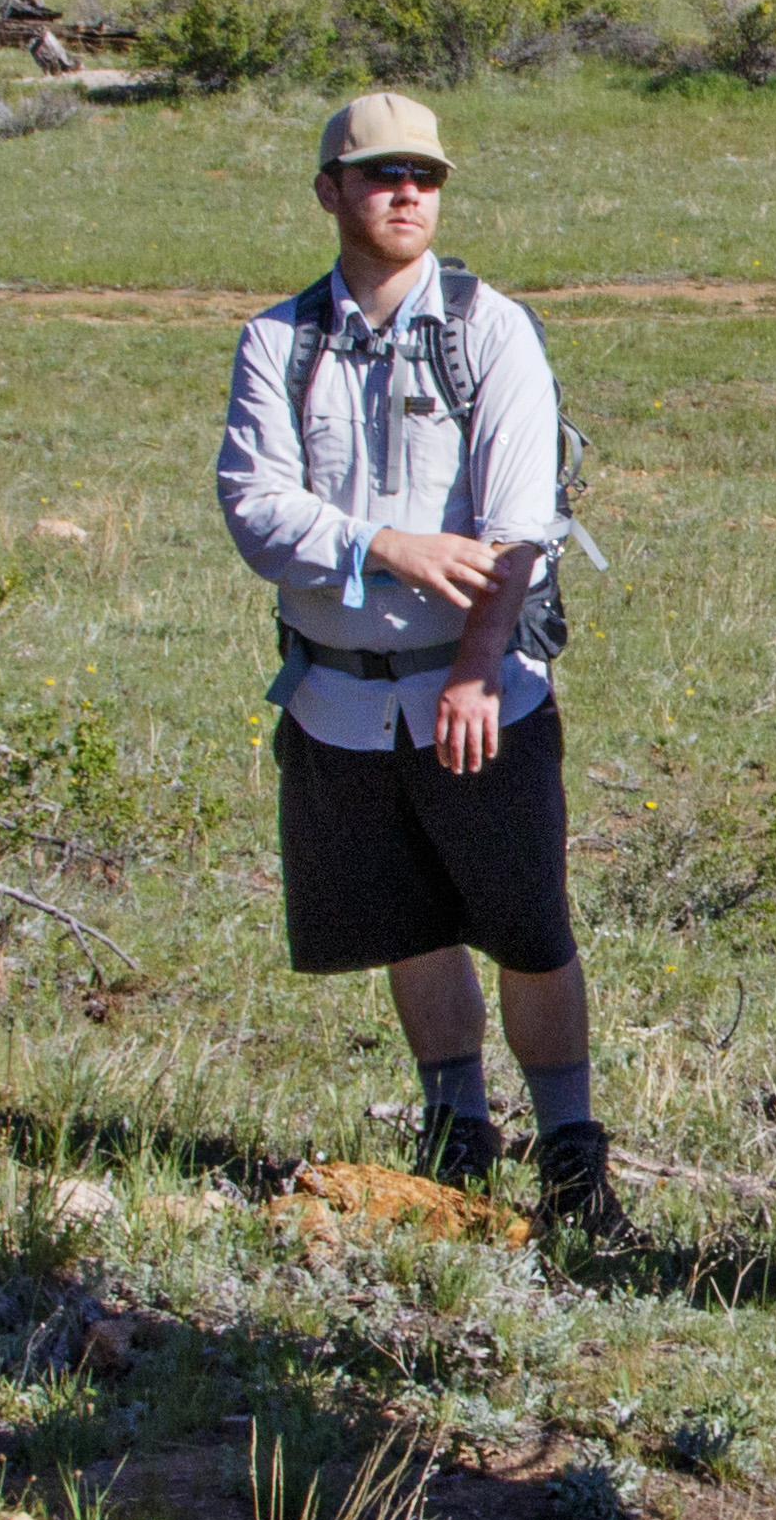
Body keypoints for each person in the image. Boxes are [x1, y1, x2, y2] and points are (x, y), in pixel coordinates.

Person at [211, 94, 612, 1234]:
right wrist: (377, 543)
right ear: (330, 191)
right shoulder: (277, 342)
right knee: (409, 922)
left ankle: (574, 1155)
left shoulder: (492, 328)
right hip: (337, 700)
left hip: (480, 689)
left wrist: (481, 670)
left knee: (529, 928)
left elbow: (522, 521)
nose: (405, 195)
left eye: (424, 178)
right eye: (379, 175)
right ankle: (455, 1133)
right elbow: (255, 508)